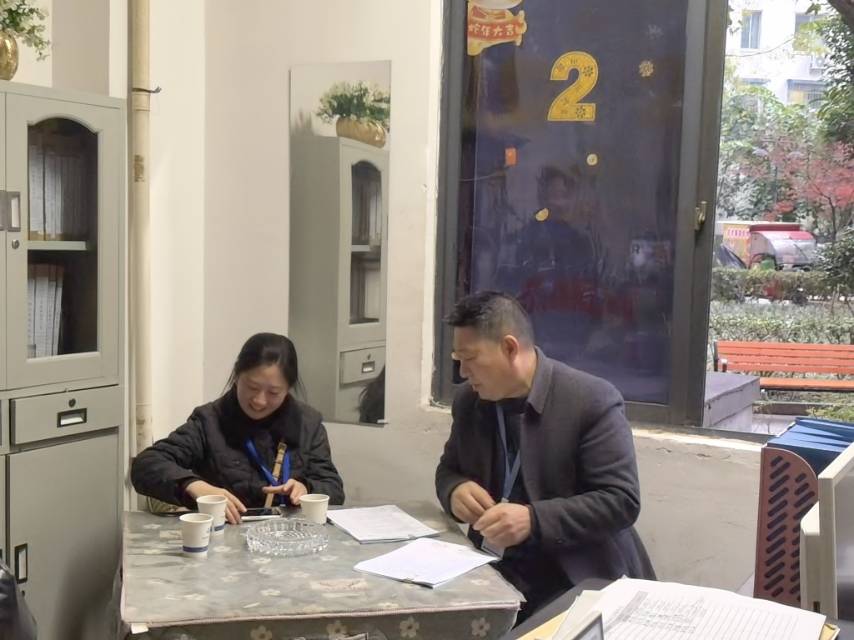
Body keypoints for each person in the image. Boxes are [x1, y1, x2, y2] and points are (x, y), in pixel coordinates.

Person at [435, 291, 654, 624]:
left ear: (510, 348)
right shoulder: (470, 402)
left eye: (470, 358)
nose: (463, 372)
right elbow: (448, 469)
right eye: (457, 359)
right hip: (494, 567)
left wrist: (533, 520)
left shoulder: (590, 400)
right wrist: (455, 490)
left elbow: (621, 500)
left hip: (575, 574)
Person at [132, 333, 344, 523]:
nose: (259, 401)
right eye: (252, 387)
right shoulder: (209, 421)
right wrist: (195, 486)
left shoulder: (308, 423)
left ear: (288, 389)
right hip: (223, 539)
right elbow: (146, 464)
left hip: (290, 539)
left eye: (273, 393)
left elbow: (333, 488)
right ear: (236, 376)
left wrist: (307, 488)